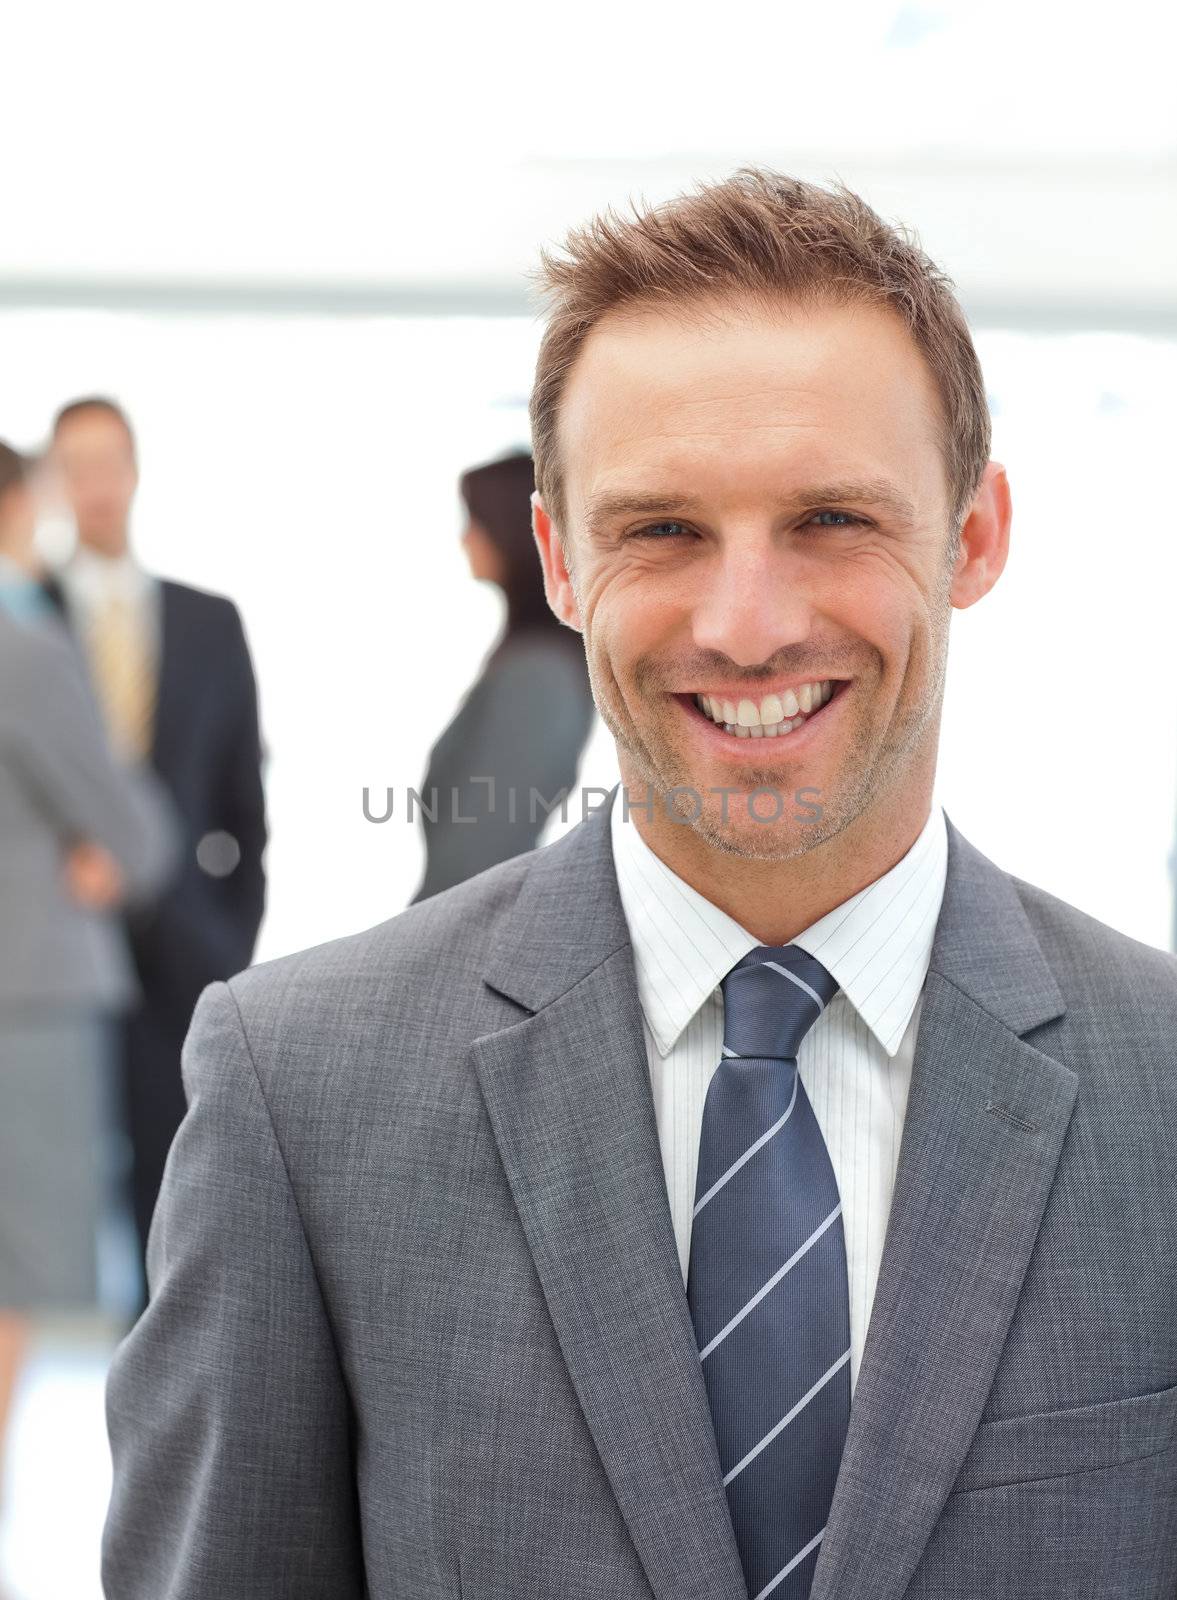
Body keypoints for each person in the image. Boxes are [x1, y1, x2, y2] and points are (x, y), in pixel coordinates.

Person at [102, 171, 1177, 1600]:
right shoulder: (300, 1095)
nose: (746, 624)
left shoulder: (1159, 1085)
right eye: (661, 529)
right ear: (559, 557)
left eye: (833, 521)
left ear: (971, 537)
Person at [46, 397, 268, 1310]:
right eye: (75, 466)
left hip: (186, 948)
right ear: (53, 484)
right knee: (49, 1189)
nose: (96, 485)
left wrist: (230, 937)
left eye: (109, 462)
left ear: (134, 471)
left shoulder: (209, 621)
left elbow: (243, 806)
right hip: (53, 944)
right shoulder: (22, 620)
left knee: (178, 1203)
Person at [0, 442, 177, 1499]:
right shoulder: (25, 650)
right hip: (24, 996)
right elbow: (138, 834)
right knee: (14, 1279)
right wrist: (97, 846)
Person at [411, 450, 595, 901]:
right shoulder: (529, 660)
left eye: (473, 519)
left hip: (462, 936)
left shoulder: (538, 678)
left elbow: (477, 858)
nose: (465, 539)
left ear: (517, 530)